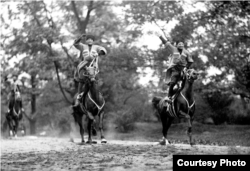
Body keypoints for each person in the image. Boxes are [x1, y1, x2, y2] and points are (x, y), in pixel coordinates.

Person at [72, 34, 107, 110]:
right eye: (88, 39)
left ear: (93, 41)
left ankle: (99, 97)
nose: (89, 40)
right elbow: (75, 44)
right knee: (81, 80)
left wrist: (99, 53)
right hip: (84, 66)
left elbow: (104, 50)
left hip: (93, 66)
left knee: (96, 79)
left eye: (91, 39)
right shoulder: (82, 46)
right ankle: (79, 98)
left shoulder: (97, 47)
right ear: (86, 40)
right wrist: (79, 38)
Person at [156, 32, 194, 103]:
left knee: (189, 80)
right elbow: (166, 43)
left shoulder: (187, 52)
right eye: (179, 44)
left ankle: (189, 96)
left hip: (183, 70)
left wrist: (186, 67)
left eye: (182, 44)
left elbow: (190, 61)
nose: (181, 45)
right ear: (177, 45)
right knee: (172, 82)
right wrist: (160, 36)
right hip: (175, 70)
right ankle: (169, 96)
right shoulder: (173, 49)